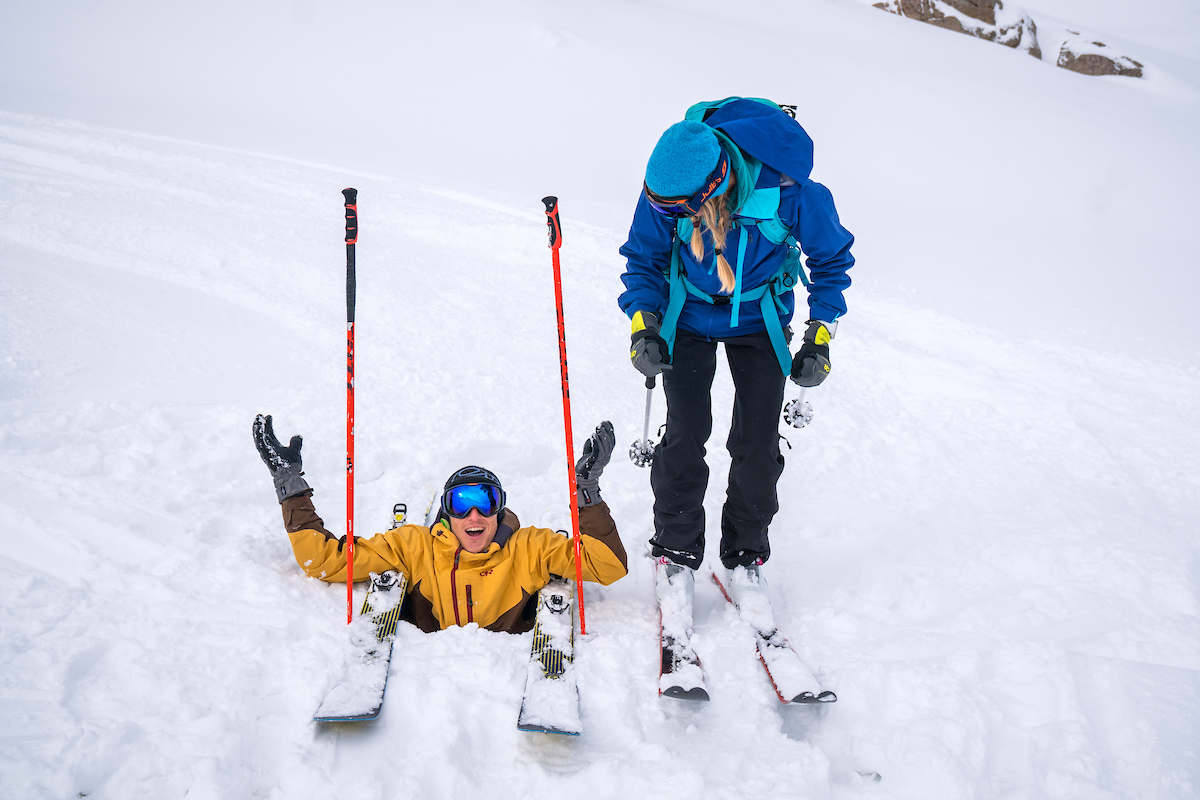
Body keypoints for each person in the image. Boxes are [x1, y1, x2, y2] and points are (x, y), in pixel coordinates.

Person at [617, 98, 854, 627]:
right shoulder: (667, 194)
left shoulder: (791, 192)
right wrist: (644, 324)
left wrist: (820, 336)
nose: (668, 216)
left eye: (678, 209)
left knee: (756, 441)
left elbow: (832, 260)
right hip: (689, 317)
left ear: (713, 187)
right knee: (685, 432)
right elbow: (644, 259)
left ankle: (746, 554)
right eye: (662, 207)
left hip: (759, 322)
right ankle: (676, 552)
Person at [252, 414, 627, 633]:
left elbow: (608, 567)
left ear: (500, 509)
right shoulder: (415, 546)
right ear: (446, 514)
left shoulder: (529, 548)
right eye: (461, 504)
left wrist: (586, 491)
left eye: (486, 501)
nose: (474, 516)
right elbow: (325, 562)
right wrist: (290, 487)